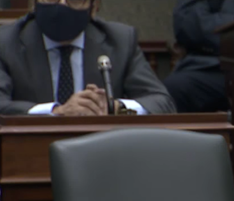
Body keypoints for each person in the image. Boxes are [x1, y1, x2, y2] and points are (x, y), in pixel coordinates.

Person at [0, 0, 176, 116]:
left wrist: (115, 107)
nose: (61, 4)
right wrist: (57, 112)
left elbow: (162, 103)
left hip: (101, 155)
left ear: (94, 7)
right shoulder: (6, 43)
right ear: (34, 3)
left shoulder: (120, 41)